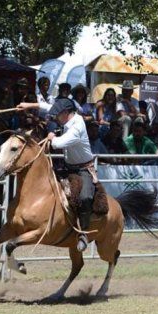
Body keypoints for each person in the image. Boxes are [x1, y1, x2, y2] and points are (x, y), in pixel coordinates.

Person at [17, 98, 95, 252]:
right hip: (68, 166)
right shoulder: (68, 119)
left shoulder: (78, 126)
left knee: (85, 197)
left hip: (83, 169)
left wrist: (52, 137)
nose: (55, 118)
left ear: (65, 113)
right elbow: (47, 107)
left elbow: (60, 143)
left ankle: (83, 234)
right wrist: (29, 105)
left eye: (58, 115)